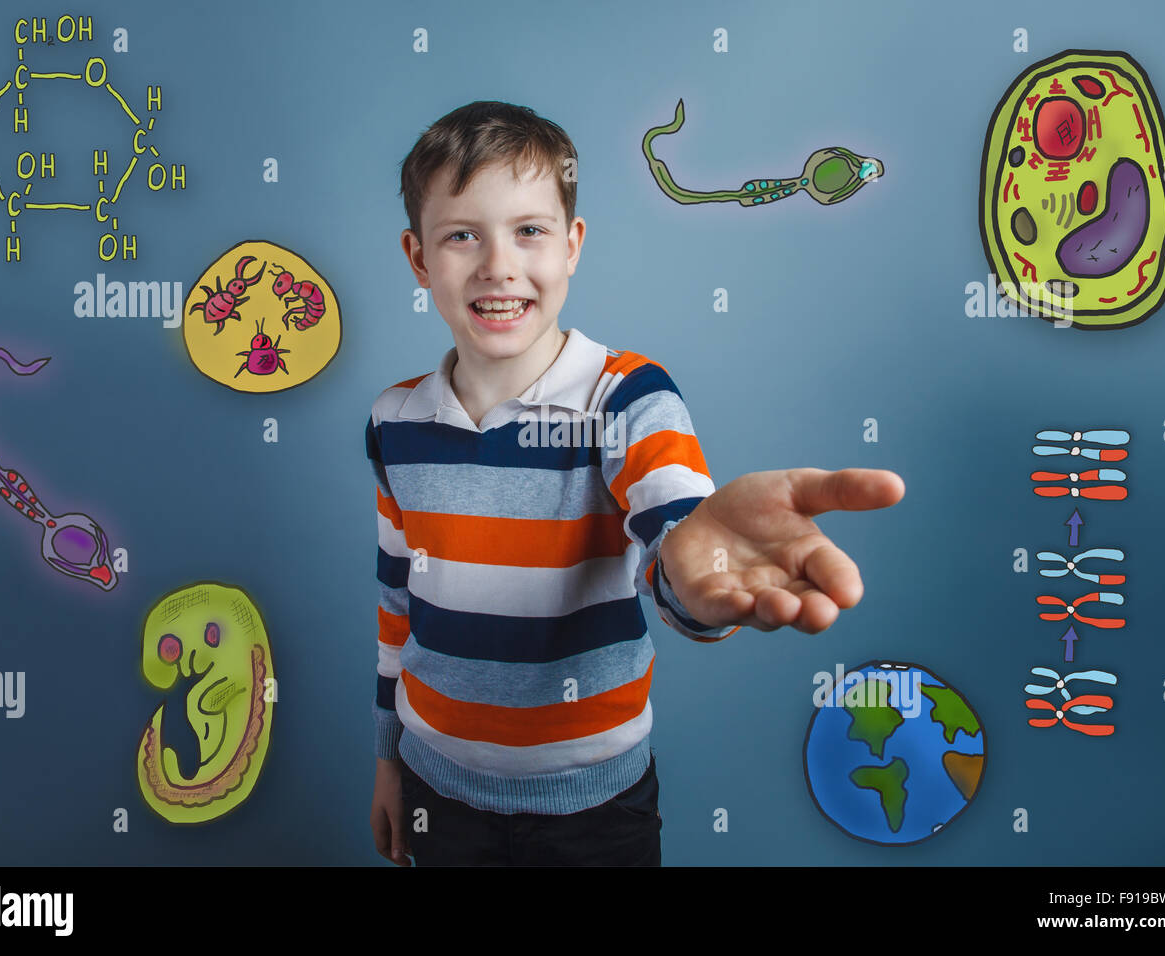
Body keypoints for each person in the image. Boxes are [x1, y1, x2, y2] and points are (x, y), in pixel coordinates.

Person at [367, 101, 904, 866]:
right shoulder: (394, 421)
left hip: (595, 810)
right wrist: (388, 758)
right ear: (419, 258)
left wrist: (698, 566)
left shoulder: (627, 396)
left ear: (572, 244)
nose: (498, 264)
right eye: (462, 235)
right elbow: (396, 601)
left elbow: (676, 536)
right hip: (434, 791)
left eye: (529, 230)